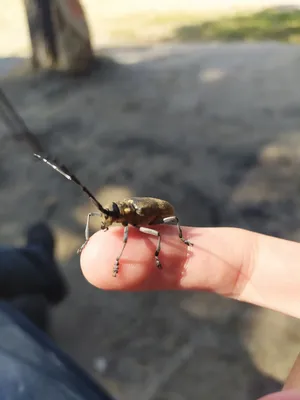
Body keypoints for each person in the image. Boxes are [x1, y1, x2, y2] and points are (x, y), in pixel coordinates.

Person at [79, 224, 300, 400]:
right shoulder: (116, 220)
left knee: (144, 237)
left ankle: (138, 256)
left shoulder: (134, 223)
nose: (107, 221)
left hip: (160, 216)